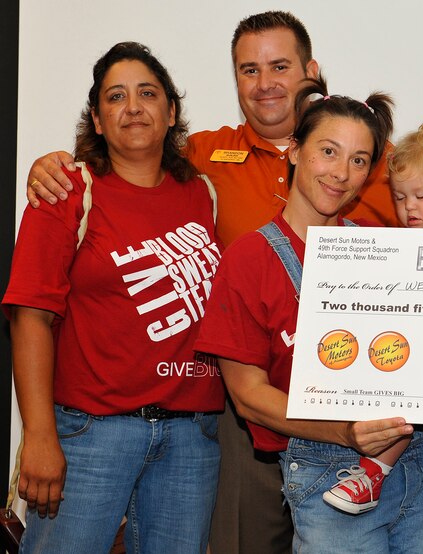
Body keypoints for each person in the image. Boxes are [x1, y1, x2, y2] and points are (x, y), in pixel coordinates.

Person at [24, 12, 399, 553]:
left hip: (344, 404)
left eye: (279, 66)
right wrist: (50, 165)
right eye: (248, 69)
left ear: (311, 72)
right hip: (241, 406)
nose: (265, 82)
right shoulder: (200, 159)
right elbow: (133, 154)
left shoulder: (371, 163)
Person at [194, 77, 423, 552]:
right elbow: (249, 397)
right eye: (329, 152)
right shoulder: (248, 260)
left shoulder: (387, 248)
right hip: (329, 469)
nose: (341, 172)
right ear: (295, 151)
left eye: (358, 160)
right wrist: (343, 431)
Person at [3, 42, 223, 554]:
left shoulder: (203, 194)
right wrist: (38, 436)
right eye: (115, 97)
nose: (133, 107)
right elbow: (30, 318)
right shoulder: (67, 191)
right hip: (91, 435)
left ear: (171, 112)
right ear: (98, 121)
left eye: (148, 93)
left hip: (192, 439)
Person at [321, 116, 423, 515]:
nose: (409, 208)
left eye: (421, 195)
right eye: (400, 198)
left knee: (408, 386)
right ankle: (370, 473)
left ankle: (372, 474)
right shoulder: (395, 244)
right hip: (394, 361)